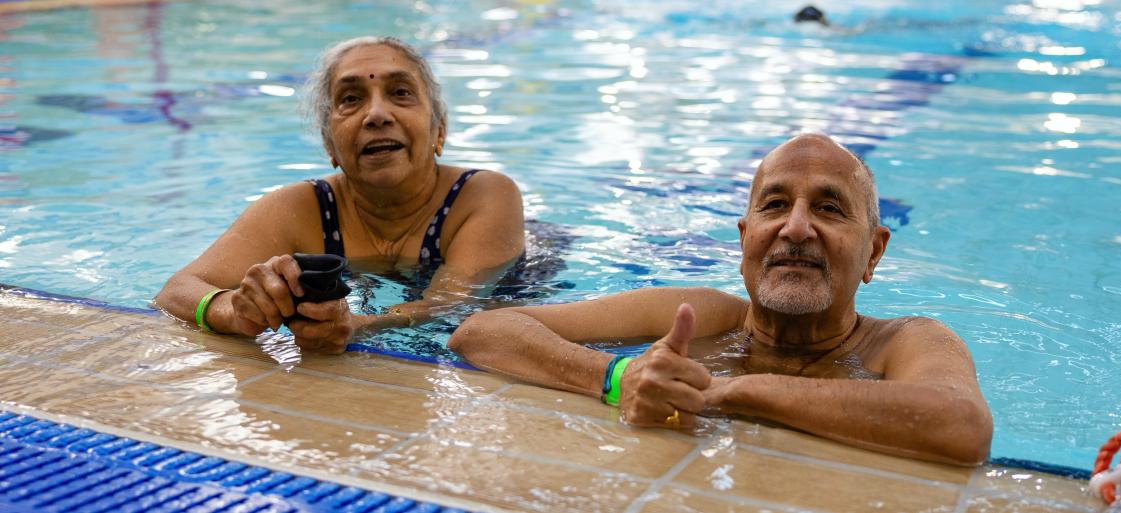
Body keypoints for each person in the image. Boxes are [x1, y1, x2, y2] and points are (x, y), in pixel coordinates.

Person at [450, 134, 992, 466]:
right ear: (744, 240)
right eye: (775, 204)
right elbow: (483, 330)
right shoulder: (700, 315)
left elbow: (962, 427)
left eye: (829, 209)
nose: (796, 228)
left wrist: (733, 392)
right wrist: (617, 377)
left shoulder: (903, 343)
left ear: (873, 253)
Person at [156, 36, 525, 354]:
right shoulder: (302, 208)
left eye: (400, 93)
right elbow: (175, 292)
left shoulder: (483, 197)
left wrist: (359, 324)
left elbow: (450, 304)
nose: (377, 114)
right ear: (330, 144)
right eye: (351, 98)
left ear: (439, 130)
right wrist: (233, 310)